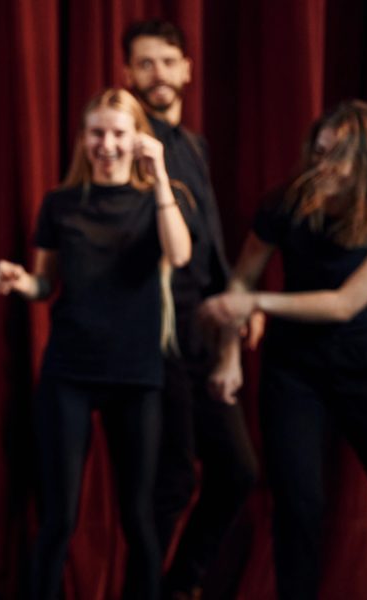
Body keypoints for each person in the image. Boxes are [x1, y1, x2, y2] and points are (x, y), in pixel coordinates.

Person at [0, 88, 191, 600]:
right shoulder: (60, 203)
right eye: (97, 132)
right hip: (70, 374)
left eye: (118, 133)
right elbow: (45, 283)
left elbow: (181, 253)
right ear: (83, 138)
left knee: (138, 517)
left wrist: (161, 174)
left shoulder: (156, 200)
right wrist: (21, 282)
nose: (107, 143)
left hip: (136, 375)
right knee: (59, 516)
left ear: (137, 139)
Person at [201, 100, 367, 600]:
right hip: (295, 372)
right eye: (318, 151)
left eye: (336, 157)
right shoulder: (285, 202)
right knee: (298, 507)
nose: (320, 165)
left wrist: (259, 303)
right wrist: (228, 358)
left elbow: (343, 305)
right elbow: (241, 279)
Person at [121, 19, 258, 597]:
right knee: (171, 481)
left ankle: (180, 586)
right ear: (128, 74)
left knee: (237, 473)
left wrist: (239, 304)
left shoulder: (195, 145)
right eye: (145, 63)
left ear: (187, 70)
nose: (158, 74)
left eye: (167, 61)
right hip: (158, 335)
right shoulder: (127, 142)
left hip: (206, 330)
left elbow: (212, 243)